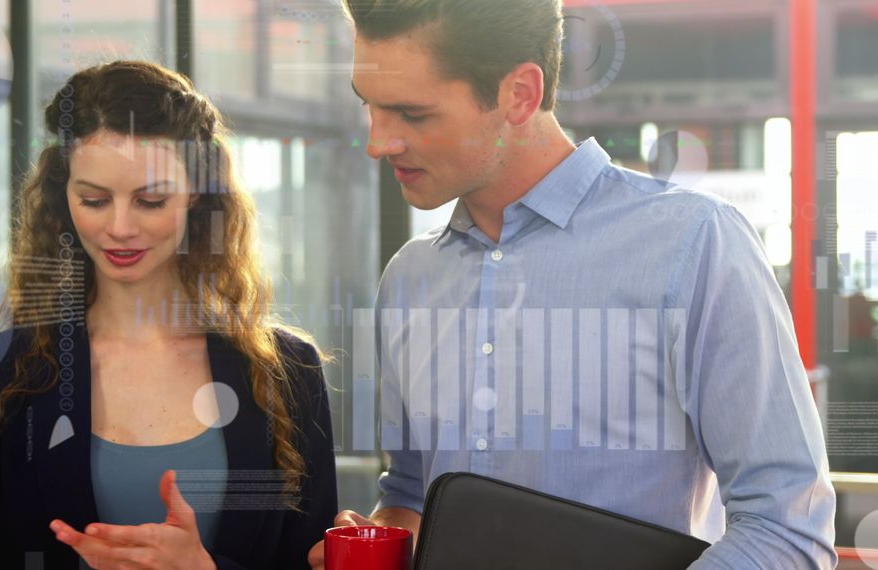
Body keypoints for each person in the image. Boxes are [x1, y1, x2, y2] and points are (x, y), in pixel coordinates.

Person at [308, 1, 836, 568]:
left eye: (412, 114)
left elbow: (787, 528)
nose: (377, 142)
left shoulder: (695, 244)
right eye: (371, 106)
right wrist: (377, 543)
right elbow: (410, 495)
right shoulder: (410, 278)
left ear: (520, 94)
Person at [0, 60, 337, 570]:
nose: (120, 228)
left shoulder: (288, 371)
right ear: (63, 195)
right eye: (94, 199)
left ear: (197, 191)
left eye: (151, 200)